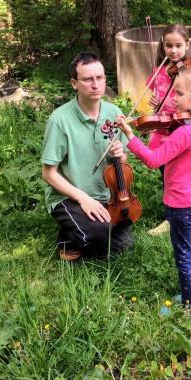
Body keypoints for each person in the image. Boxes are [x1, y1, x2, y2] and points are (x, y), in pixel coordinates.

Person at [116, 66, 191, 307]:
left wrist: (130, 135)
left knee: (183, 256)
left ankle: (189, 305)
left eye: (179, 93)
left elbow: (153, 160)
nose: (173, 98)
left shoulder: (185, 134)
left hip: (181, 204)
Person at [41, 52, 133, 261]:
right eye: (87, 79)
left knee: (124, 244)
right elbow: (48, 174)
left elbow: (123, 161)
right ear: (74, 83)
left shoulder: (112, 112)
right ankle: (67, 237)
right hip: (69, 196)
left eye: (99, 78)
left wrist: (119, 155)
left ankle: (89, 228)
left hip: (106, 195)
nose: (95, 84)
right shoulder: (60, 120)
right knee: (98, 236)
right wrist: (83, 199)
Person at [145, 23, 191, 235]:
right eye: (168, 46)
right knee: (166, 173)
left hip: (182, 128)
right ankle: (173, 213)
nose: (173, 51)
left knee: (179, 174)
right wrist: (154, 102)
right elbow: (156, 98)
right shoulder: (159, 71)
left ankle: (174, 217)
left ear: (187, 46)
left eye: (178, 46)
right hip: (164, 130)